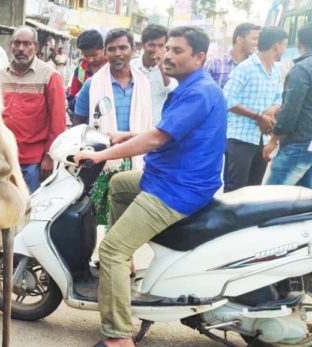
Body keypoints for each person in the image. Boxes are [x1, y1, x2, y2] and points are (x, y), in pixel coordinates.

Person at [74, 26, 226, 347]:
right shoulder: (188, 87)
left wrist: (102, 153)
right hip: (164, 176)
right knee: (118, 183)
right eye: (167, 49)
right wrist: (124, 136)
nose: (166, 55)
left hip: (175, 189)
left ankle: (118, 338)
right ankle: (126, 264)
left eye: (177, 51)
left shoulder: (199, 92)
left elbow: (156, 138)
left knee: (110, 250)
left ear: (199, 57)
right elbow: (163, 129)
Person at [74, 28, 153, 225]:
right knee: (92, 218)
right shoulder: (92, 85)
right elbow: (78, 123)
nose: (118, 53)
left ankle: (121, 256)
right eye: (112, 49)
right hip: (103, 162)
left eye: (123, 47)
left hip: (136, 160)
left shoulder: (144, 83)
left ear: (133, 50)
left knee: (129, 220)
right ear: (106, 52)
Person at [0, 26, 66, 193]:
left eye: (26, 44)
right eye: (17, 43)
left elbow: (58, 123)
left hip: (33, 161)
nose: (21, 48)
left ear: (35, 46)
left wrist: (50, 157)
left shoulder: (49, 75)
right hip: (2, 157)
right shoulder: (1, 75)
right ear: (11, 45)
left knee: (30, 210)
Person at [222, 27, 287, 192]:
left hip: (261, 141)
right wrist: (258, 117)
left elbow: (279, 98)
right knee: (235, 191)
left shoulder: (275, 71)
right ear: (276, 45)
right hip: (240, 139)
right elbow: (227, 99)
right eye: (285, 45)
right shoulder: (246, 68)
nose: (285, 49)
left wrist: (272, 110)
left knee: (254, 191)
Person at [265, 23, 312, 187]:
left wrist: (273, 141)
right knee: (305, 202)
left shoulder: (302, 69)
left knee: (273, 200)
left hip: (298, 144)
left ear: (298, 43)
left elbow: (290, 111)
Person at [130, 24, 178, 125]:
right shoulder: (131, 66)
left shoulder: (172, 69)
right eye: (152, 45)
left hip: (157, 127)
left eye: (161, 46)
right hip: (133, 125)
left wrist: (162, 68)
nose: (156, 49)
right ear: (143, 44)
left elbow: (174, 94)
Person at [204, 23, 261, 89]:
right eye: (254, 39)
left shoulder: (256, 67)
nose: (257, 43)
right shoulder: (214, 64)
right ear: (239, 40)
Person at [68, 30, 107, 116]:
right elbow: (71, 99)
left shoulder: (112, 69)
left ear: (104, 50)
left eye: (94, 55)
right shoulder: (80, 71)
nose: (90, 60)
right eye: (86, 55)